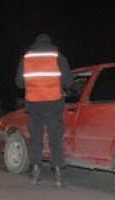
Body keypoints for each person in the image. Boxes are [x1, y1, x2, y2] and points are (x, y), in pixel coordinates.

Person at [15, 34, 73, 187]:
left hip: (34, 105)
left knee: (36, 139)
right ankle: (59, 175)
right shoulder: (57, 56)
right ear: (50, 43)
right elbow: (69, 81)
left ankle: (35, 172)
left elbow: (19, 83)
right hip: (54, 104)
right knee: (55, 139)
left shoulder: (27, 58)